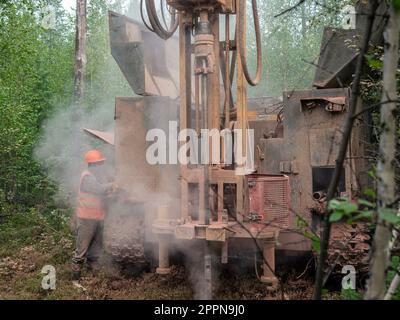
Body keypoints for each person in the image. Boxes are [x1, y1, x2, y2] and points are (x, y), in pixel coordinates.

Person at [72, 149, 114, 284]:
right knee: (82, 249)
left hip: (97, 218)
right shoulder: (87, 177)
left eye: (102, 163)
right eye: (99, 163)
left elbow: (101, 194)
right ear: (93, 165)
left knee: (95, 249)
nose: (102, 166)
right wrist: (113, 185)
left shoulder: (95, 177)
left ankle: (93, 272)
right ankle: (75, 277)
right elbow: (99, 189)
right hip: (86, 219)